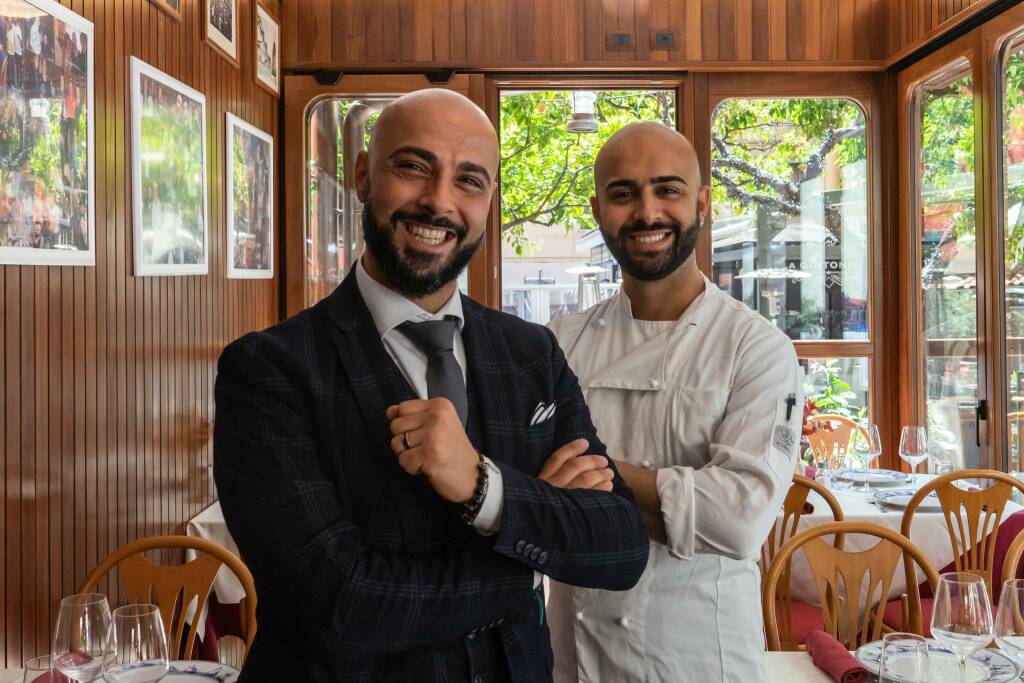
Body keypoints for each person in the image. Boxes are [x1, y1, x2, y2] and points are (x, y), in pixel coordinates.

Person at [214, 89, 649, 682]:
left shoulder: (530, 353)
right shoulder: (269, 369)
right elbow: (340, 607)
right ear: (362, 174)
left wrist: (484, 489)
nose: (439, 202)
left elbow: (621, 546)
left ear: (490, 200)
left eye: (469, 181)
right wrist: (526, 561)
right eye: (413, 167)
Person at [546, 121, 804, 682]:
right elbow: (535, 501)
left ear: (702, 203)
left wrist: (594, 480)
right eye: (623, 193)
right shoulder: (559, 342)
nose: (647, 212)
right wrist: (671, 503)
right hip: (572, 662)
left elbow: (739, 522)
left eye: (668, 189)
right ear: (597, 210)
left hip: (697, 661)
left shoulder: (756, 348)